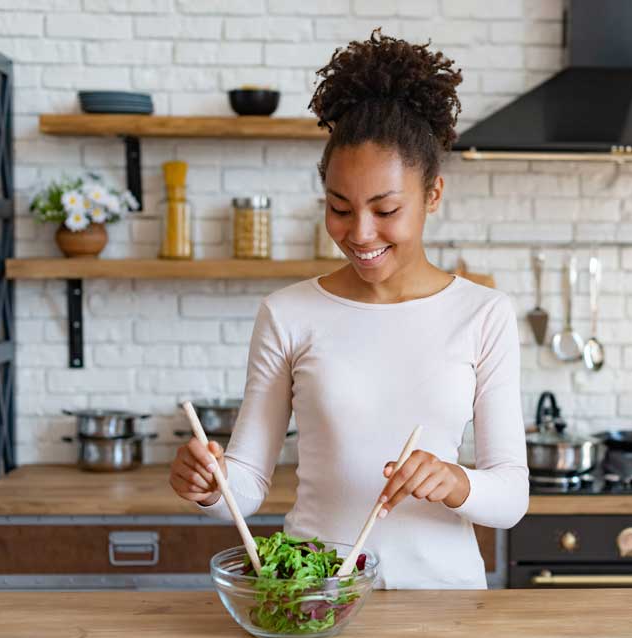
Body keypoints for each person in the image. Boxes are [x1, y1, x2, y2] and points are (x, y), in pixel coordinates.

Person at [169, 30, 528, 589]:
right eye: (339, 208)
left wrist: (455, 480)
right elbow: (247, 484)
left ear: (433, 194)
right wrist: (211, 485)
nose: (359, 233)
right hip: (317, 597)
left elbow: (511, 496)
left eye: (385, 209)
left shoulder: (484, 314)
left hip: (444, 603)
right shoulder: (288, 314)